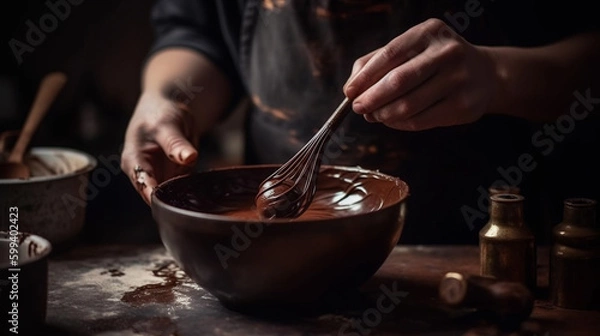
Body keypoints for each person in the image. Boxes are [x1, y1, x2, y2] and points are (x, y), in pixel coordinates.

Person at [121, 0, 600, 244]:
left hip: (470, 244)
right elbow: (197, 34)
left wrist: (498, 75)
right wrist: (169, 100)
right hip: (263, 248)